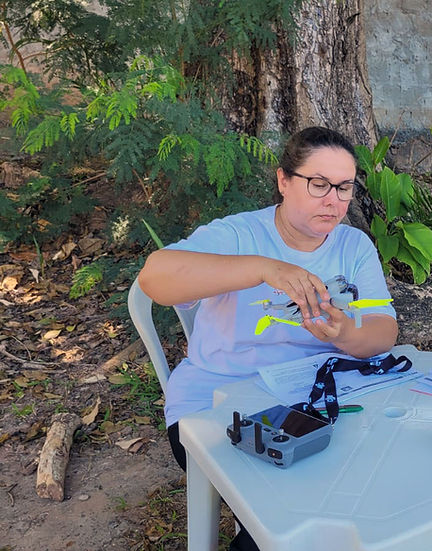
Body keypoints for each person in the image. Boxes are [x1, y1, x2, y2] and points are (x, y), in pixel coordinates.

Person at [139, 127, 398, 549]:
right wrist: (265, 269)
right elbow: (155, 278)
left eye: (344, 188)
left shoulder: (354, 246)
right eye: (318, 184)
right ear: (283, 181)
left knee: (379, 485)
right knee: (291, 519)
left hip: (315, 396)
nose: (333, 200)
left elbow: (383, 332)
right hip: (218, 397)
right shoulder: (240, 236)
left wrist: (345, 333)